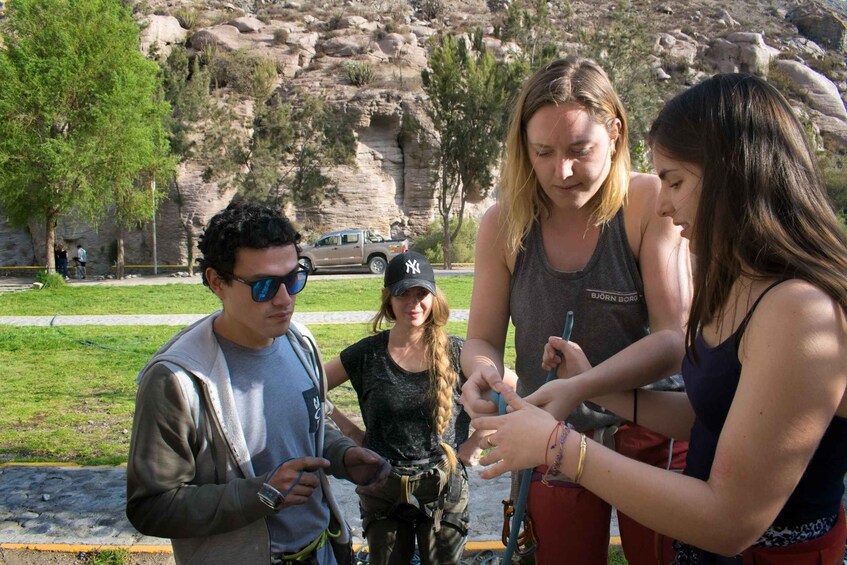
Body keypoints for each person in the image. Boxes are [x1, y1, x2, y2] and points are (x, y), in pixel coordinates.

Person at [472, 73, 847, 563]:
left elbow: (731, 521)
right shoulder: (744, 285)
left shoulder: (800, 310)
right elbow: (710, 416)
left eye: (674, 180)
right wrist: (590, 385)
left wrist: (561, 446)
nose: (664, 204)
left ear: (734, 174)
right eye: (542, 153)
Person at [459, 56, 690, 564]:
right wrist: (482, 376)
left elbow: (674, 340)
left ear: (615, 132)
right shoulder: (503, 224)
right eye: (542, 153)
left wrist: (584, 385)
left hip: (649, 433)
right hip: (549, 431)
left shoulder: (650, 203)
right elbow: (481, 340)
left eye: (579, 150)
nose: (560, 171)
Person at [126, 201, 390, 565]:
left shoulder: (300, 344)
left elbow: (308, 427)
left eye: (293, 278)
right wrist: (258, 495)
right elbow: (150, 506)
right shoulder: (177, 379)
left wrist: (342, 455)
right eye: (265, 286)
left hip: (324, 552)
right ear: (217, 282)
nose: (285, 300)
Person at [323, 251, 476, 565]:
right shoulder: (366, 354)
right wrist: (348, 430)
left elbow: (507, 387)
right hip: (383, 487)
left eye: (421, 293)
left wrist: (479, 440)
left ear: (433, 297)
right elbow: (311, 385)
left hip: (442, 488)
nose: (413, 303)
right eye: (402, 293)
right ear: (388, 299)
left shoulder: (457, 351)